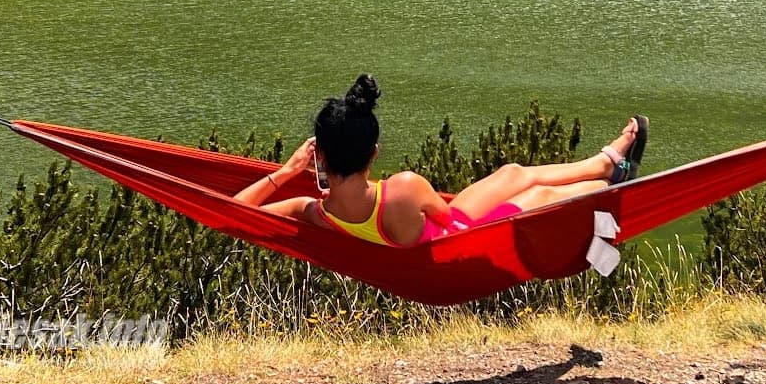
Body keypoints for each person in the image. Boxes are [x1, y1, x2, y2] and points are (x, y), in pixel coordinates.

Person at [234, 75, 648, 247]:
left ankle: (603, 163)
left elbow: (230, 215)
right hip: (462, 242)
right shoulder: (403, 186)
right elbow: (446, 217)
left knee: (512, 173)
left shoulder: (311, 212)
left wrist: (285, 173)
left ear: (318, 155)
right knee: (537, 190)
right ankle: (614, 185)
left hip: (444, 231)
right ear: (373, 153)